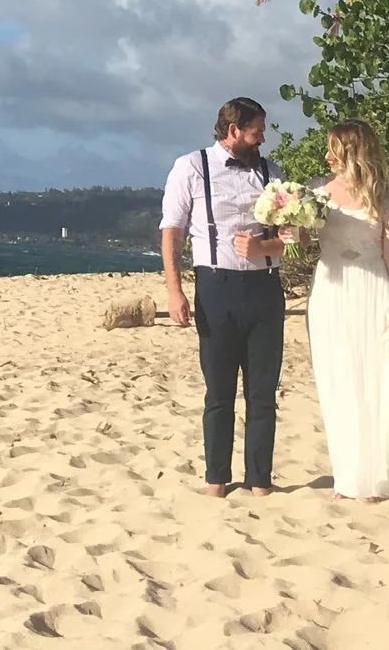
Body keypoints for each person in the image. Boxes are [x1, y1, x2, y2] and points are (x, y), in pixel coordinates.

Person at [160, 97, 288, 497]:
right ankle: (217, 479)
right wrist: (174, 290)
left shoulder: (272, 173)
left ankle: (259, 481)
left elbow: (290, 239)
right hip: (215, 288)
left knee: (262, 392)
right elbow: (172, 232)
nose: (262, 140)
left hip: (265, 289)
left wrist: (263, 249)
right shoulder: (191, 166)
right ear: (234, 130)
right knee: (219, 392)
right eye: (256, 132)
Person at [307, 120, 389, 499]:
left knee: (377, 378)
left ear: (353, 153)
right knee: (338, 380)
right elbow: (299, 236)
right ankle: (348, 476)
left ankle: (379, 475)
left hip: (372, 288)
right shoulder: (315, 192)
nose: (327, 157)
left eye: (334, 149)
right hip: (331, 291)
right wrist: (288, 229)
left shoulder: (385, 197)